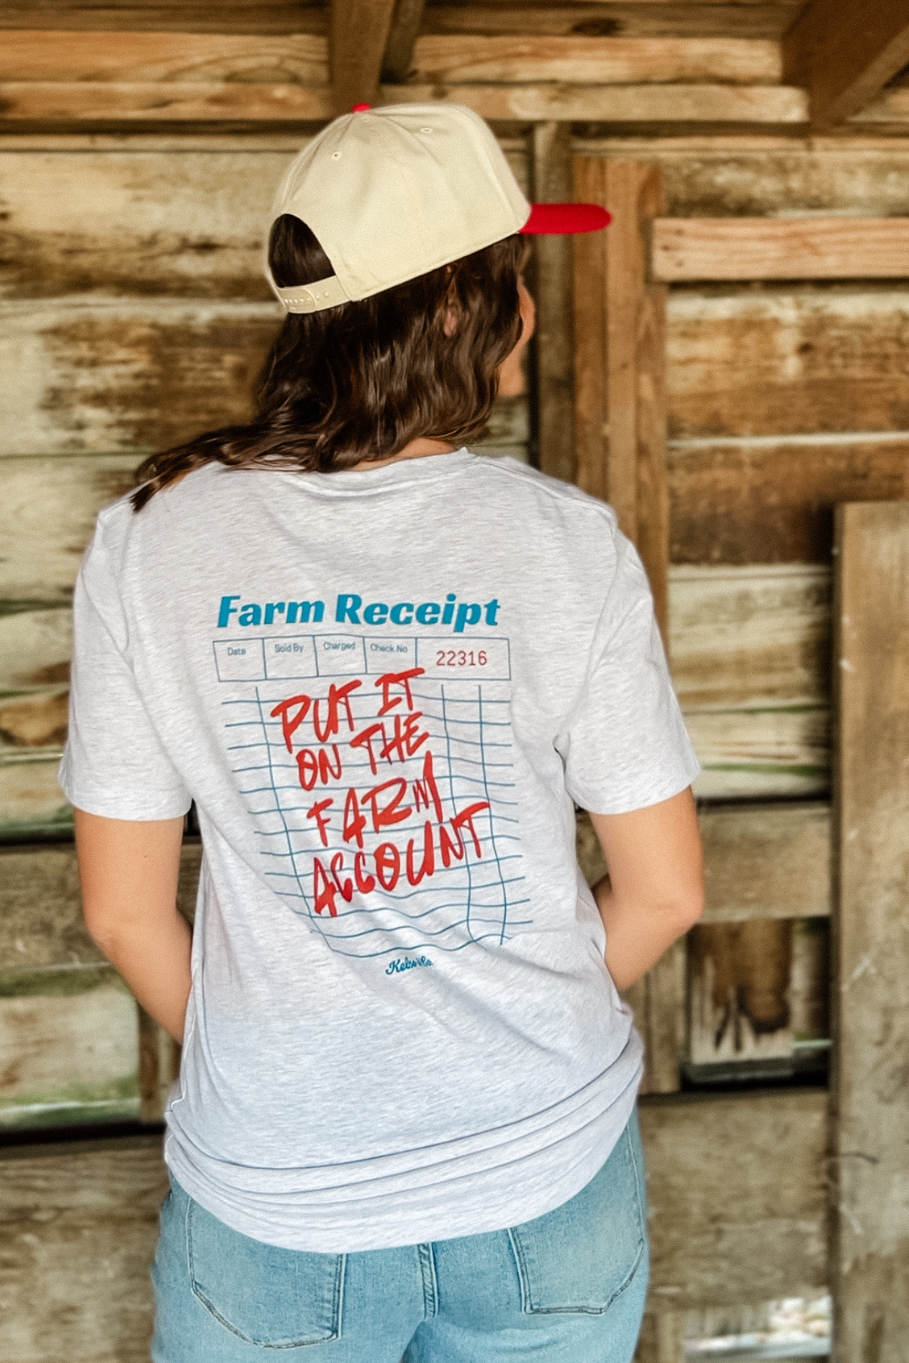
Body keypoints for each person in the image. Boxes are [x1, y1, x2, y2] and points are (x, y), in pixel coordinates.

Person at [60, 102, 704, 1363]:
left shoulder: (149, 536)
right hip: (546, 1179)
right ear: (459, 305)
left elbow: (123, 914)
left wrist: (295, 1061)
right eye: (515, 275)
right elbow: (667, 891)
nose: (532, 308)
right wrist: (495, 1034)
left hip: (275, 1204)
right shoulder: (565, 543)